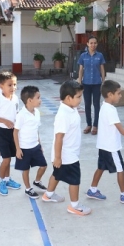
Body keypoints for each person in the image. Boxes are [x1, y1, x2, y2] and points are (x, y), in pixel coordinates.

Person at [42, 80, 91, 216]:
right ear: (69, 98)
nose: (81, 99)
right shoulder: (63, 115)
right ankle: (74, 206)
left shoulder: (71, 108)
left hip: (67, 154)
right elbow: (59, 138)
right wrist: (58, 157)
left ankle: (48, 195)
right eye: (79, 97)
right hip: (67, 156)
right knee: (75, 179)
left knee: (57, 174)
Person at [0, 71, 21, 196]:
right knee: (6, 159)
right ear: (1, 86)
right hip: (1, 132)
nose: (13, 87)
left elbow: (17, 113)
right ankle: (1, 181)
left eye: (14, 84)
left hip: (12, 132)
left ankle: (7, 180)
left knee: (9, 159)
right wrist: (4, 120)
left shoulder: (15, 98)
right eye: (10, 85)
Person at [13, 86, 48, 199]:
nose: (40, 100)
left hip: (35, 146)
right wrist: (18, 149)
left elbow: (36, 129)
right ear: (29, 100)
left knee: (43, 165)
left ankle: (37, 181)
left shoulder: (37, 112)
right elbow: (15, 132)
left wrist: (40, 144)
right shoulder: (21, 115)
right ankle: (28, 189)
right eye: (38, 97)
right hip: (24, 148)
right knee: (26, 169)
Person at [77, 36, 105, 135]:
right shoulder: (83, 56)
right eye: (91, 43)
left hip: (97, 83)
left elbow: (102, 69)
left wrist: (103, 80)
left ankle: (95, 125)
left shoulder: (100, 55)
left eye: (95, 43)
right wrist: (80, 82)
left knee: (96, 104)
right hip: (86, 84)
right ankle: (88, 124)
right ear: (87, 44)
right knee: (87, 105)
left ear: (97, 44)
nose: (93, 45)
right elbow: (81, 69)